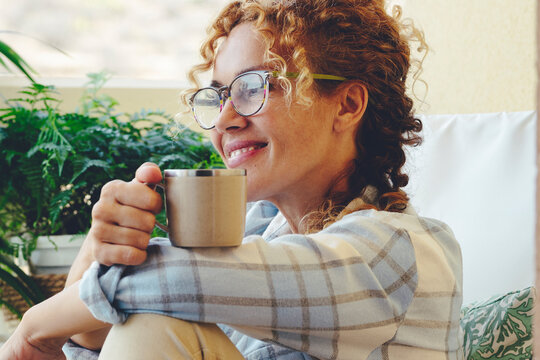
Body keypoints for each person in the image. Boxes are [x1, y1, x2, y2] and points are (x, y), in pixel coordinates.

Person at [0, 0, 463, 359]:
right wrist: (104, 245)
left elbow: (170, 283)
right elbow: (108, 318)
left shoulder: (399, 253)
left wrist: (34, 324)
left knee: (156, 324)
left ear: (346, 105)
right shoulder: (256, 230)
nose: (223, 120)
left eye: (253, 88)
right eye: (218, 94)